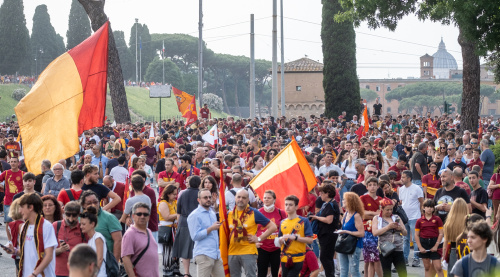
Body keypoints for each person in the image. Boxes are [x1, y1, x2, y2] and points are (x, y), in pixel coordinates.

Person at [4, 193, 58, 277]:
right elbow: (26, 253)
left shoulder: (46, 226)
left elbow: (49, 256)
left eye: (22, 207)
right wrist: (14, 251)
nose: (19, 211)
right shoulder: (24, 227)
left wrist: (34, 274)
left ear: (31, 207)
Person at [227, 189, 277, 277]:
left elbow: (273, 227)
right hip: (232, 252)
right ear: (235, 198)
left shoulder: (254, 212)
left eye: (243, 197)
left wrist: (258, 239)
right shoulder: (230, 214)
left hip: (248, 251)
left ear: (248, 200)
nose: (240, 199)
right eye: (238, 197)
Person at [187, 188, 225, 277]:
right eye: (205, 197)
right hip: (204, 254)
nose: (208, 199)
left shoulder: (211, 212)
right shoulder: (194, 215)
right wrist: (211, 228)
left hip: (216, 254)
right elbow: (194, 236)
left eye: (209, 197)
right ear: (199, 200)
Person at [80, 190, 122, 262]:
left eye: (95, 202)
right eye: (89, 203)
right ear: (83, 205)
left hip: (106, 262)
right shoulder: (80, 218)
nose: (93, 205)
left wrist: (114, 263)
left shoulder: (109, 217)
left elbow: (118, 240)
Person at [278, 195, 314, 277]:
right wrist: (279, 240)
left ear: (296, 207)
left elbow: (310, 240)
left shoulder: (303, 221)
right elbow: (279, 241)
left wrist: (296, 238)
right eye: (286, 204)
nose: (287, 207)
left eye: (290, 205)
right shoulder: (282, 222)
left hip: (298, 258)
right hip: (284, 258)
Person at [172, 176, 201, 277]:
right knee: (199, 248)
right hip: (198, 223)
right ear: (199, 183)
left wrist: (179, 225)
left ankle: (186, 273)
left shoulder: (182, 193)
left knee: (185, 249)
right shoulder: (200, 194)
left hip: (184, 222)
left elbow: (178, 212)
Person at [309, 184, 340, 277]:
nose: (320, 195)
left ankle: (330, 275)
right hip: (325, 234)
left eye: (322, 193)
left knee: (324, 257)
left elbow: (329, 220)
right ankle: (330, 275)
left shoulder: (331, 204)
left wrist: (316, 218)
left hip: (328, 234)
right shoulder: (327, 203)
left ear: (328, 194)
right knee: (328, 257)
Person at [121, 202, 159, 277]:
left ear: (148, 217)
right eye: (139, 214)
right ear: (133, 216)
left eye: (145, 214)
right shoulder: (130, 234)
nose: (142, 216)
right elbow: (125, 258)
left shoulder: (149, 231)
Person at [372, 197, 407, 277]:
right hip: (385, 248)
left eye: (391, 209)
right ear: (382, 209)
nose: (390, 211)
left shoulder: (396, 217)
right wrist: (388, 227)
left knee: (403, 272)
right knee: (387, 273)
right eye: (387, 210)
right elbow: (375, 233)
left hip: (398, 248)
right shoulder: (377, 218)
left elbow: (405, 233)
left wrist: (401, 228)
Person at [256, 190, 287, 277]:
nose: (266, 199)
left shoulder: (281, 213)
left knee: (276, 273)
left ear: (274, 200)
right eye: (265, 198)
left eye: (269, 198)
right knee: (261, 273)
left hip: (277, 248)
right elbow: (253, 229)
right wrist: (255, 241)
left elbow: (286, 228)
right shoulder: (258, 212)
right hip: (262, 248)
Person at [54, 201, 87, 277]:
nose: (71, 219)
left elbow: (87, 251)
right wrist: (60, 250)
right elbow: (47, 252)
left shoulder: (83, 228)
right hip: (58, 271)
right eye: (68, 215)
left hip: (77, 271)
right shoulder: (56, 225)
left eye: (74, 215)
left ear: (79, 214)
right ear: (64, 212)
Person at [399, 170, 424, 267]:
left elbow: (422, 202)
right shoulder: (401, 189)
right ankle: (405, 259)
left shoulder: (417, 188)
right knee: (405, 239)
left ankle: (416, 258)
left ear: (409, 178)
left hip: (415, 217)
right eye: (402, 177)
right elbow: (401, 202)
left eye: (404, 177)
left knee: (415, 238)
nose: (402, 179)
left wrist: (421, 214)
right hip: (404, 218)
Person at [359, 177, 383, 277]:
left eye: (374, 185)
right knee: (369, 259)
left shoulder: (381, 200)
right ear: (367, 186)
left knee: (373, 259)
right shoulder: (363, 198)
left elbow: (382, 214)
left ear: (377, 186)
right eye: (370, 185)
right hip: (367, 231)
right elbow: (363, 215)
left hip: (377, 230)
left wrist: (371, 214)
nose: (372, 187)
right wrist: (375, 214)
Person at [337, 192, 365, 277]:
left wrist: (347, 232)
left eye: (344, 200)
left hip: (354, 245)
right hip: (344, 244)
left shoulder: (356, 216)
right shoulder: (346, 214)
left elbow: (361, 233)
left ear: (350, 202)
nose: (342, 201)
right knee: (343, 269)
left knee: (354, 270)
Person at [415, 199, 444, 277]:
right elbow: (416, 235)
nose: (429, 209)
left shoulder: (437, 219)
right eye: (427, 207)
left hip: (435, 243)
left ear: (434, 208)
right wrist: (420, 247)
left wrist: (436, 246)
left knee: (438, 267)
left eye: (431, 207)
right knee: (427, 267)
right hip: (423, 243)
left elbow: (441, 233)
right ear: (423, 208)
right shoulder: (419, 220)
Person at [443, 198, 470, 272]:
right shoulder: (469, 223)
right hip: (467, 251)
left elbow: (445, 244)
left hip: (453, 252)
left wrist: (444, 257)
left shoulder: (448, 224)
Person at [158, 185, 179, 276]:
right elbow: (166, 217)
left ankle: (175, 269)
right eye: (174, 194)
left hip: (174, 228)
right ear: (168, 193)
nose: (175, 196)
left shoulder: (174, 202)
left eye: (176, 194)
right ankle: (167, 272)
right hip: (166, 229)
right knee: (168, 251)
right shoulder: (163, 203)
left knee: (174, 250)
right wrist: (179, 214)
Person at [0, 155, 24, 233]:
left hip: (19, 202)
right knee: (8, 222)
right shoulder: (6, 173)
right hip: (8, 202)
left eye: (14, 162)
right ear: (9, 163)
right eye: (11, 162)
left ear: (18, 163)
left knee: (19, 221)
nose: (13, 163)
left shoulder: (23, 174)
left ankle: (18, 240)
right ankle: (10, 242)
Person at [80, 206, 107, 277]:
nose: (81, 227)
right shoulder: (89, 240)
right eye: (81, 224)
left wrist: (94, 274)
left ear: (92, 224)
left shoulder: (98, 237)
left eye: (84, 224)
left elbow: (100, 258)